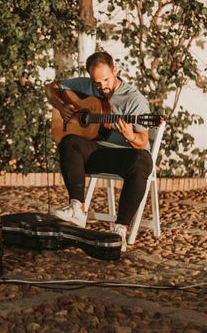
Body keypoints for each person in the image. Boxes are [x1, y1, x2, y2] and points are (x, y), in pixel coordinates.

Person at [45, 51, 153, 250]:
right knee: (68, 141)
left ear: (115, 70)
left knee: (142, 162)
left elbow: (142, 142)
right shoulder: (86, 86)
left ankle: (120, 229)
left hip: (123, 156)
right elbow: (51, 87)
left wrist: (129, 136)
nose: (103, 87)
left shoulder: (134, 100)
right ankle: (77, 207)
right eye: (97, 83)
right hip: (96, 153)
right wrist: (61, 106)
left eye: (106, 79)